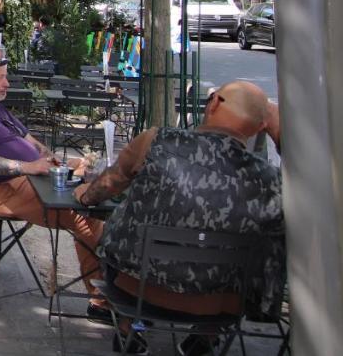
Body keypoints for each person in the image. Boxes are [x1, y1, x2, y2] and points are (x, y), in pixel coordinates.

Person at [74, 81, 283, 354]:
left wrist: (83, 195)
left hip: (136, 291)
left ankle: (128, 330)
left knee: (108, 233)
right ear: (261, 127)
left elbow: (102, 189)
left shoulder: (155, 141)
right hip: (219, 307)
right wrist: (277, 129)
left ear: (216, 103)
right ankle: (205, 338)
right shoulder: (271, 181)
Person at [0, 50, 107, 320]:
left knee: (94, 185)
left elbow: (29, 140)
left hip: (29, 179)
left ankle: (115, 294)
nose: (7, 83)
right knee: (84, 213)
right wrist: (29, 167)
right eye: (1, 78)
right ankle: (103, 303)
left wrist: (57, 160)